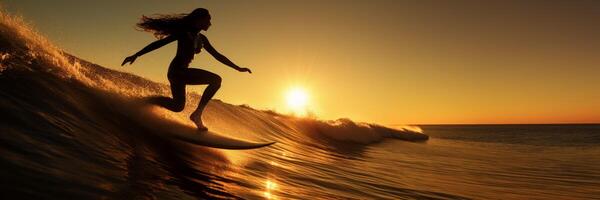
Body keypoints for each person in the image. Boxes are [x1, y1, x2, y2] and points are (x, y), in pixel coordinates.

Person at [122, 8, 251, 131]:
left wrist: (237, 68)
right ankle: (197, 115)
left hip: (180, 73)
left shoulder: (202, 39)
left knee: (177, 106)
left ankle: (147, 101)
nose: (210, 23)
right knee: (216, 80)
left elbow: (218, 56)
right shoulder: (183, 33)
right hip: (177, 71)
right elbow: (159, 44)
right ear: (199, 20)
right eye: (208, 20)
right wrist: (137, 54)